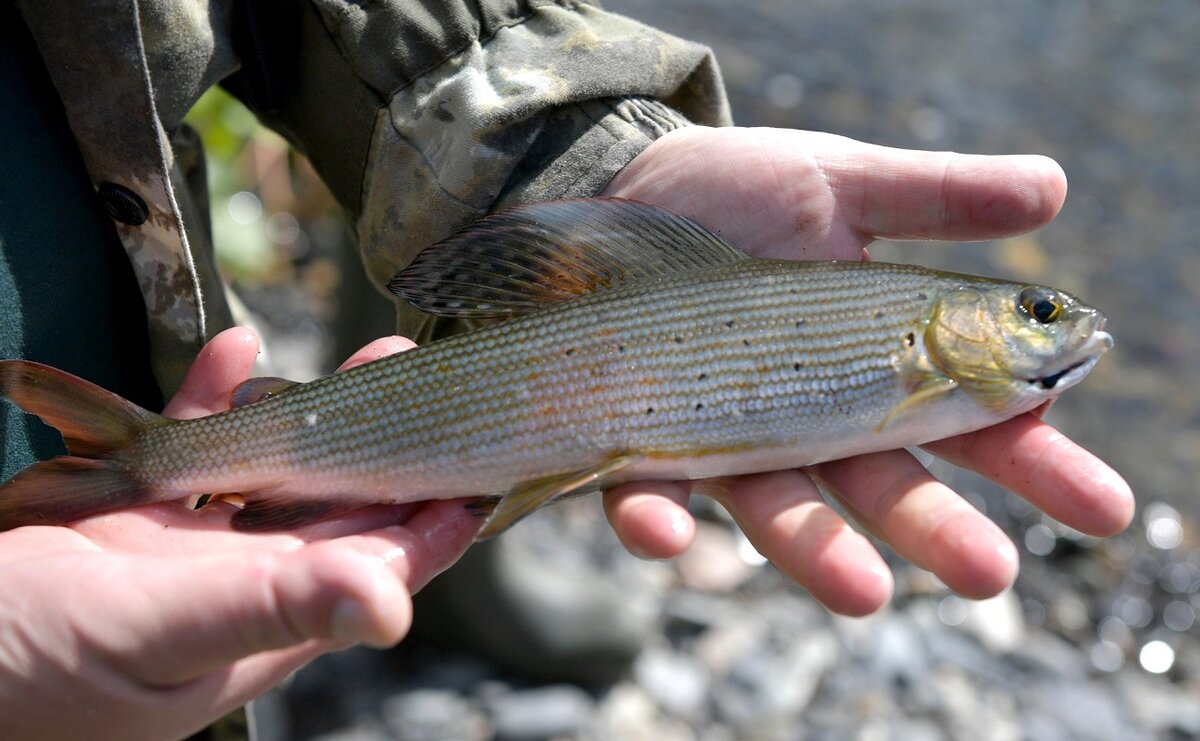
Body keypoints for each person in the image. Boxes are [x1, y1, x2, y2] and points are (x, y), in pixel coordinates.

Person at [1, 1, 1132, 738]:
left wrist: (586, 153)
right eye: (1035, 311)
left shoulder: (928, 355)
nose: (1055, 322)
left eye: (1038, 311)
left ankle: (208, 481)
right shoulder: (917, 354)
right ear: (956, 331)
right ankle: (161, 464)